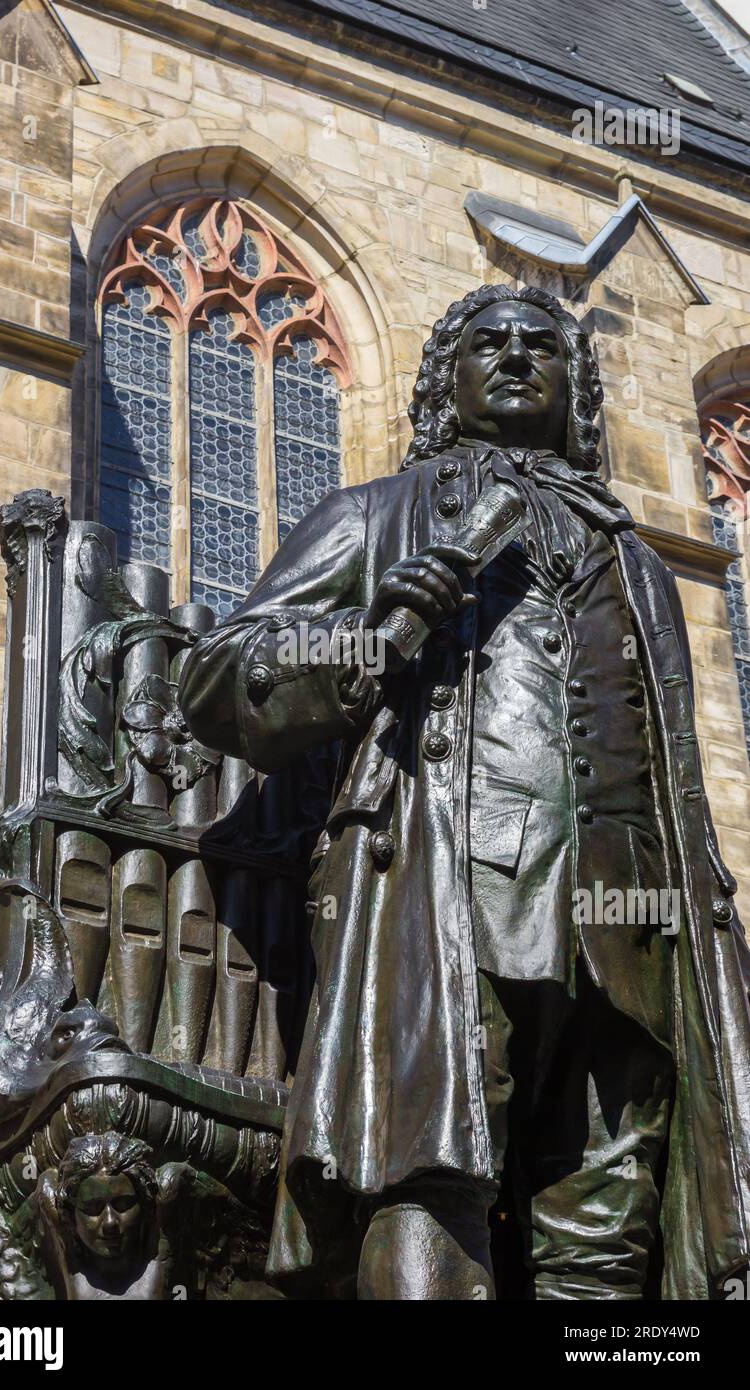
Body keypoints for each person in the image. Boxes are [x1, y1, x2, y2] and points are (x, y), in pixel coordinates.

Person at [180, 284, 750, 1300]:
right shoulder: (375, 516)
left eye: (544, 346)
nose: (519, 356)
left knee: (609, 1200)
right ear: (446, 379)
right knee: (429, 1160)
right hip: (444, 889)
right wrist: (361, 637)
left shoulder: (635, 558)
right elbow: (219, 679)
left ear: (575, 388)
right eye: (490, 344)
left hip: (627, 919)